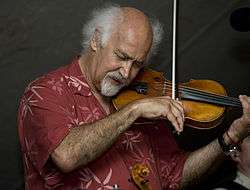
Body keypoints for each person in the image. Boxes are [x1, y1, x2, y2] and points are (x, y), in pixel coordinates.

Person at [17, 5, 250, 190]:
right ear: (96, 40)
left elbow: (175, 176)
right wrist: (134, 110)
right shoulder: (45, 91)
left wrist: (229, 137)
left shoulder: (145, 95)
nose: (127, 73)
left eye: (137, 64)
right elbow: (66, 155)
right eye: (121, 56)